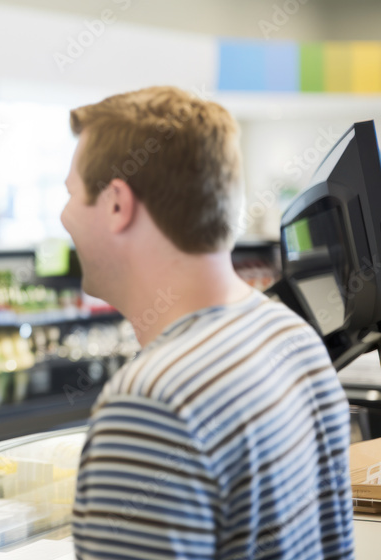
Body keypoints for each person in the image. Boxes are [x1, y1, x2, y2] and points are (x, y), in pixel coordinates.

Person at [62, 87, 353, 559]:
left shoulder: (150, 405)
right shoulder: (291, 336)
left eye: (71, 193)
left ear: (117, 203)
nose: (65, 215)